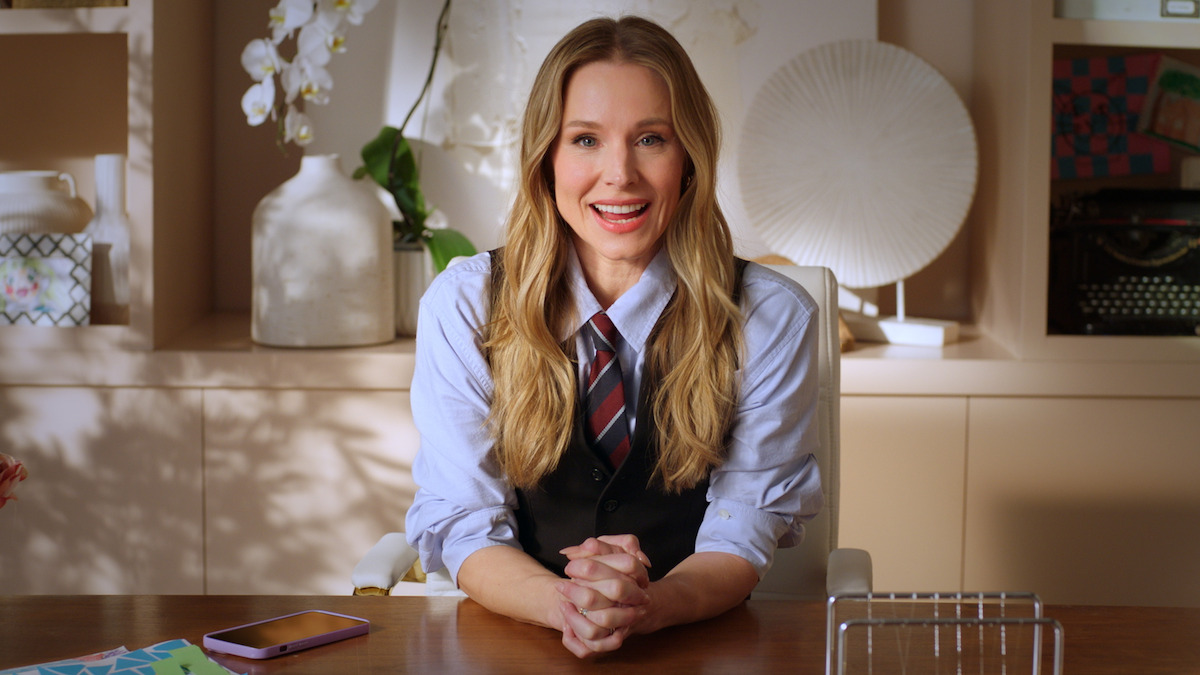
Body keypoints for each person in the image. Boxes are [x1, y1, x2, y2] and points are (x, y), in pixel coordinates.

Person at [405, 15, 823, 658]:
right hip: (517, 644)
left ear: (689, 159)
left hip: (694, 645)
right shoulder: (466, 306)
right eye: (586, 140)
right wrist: (567, 606)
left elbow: (740, 534)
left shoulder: (769, 318)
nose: (619, 173)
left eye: (651, 138)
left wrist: (647, 607)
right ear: (546, 159)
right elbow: (465, 524)